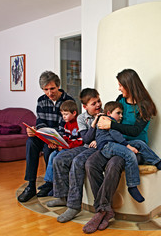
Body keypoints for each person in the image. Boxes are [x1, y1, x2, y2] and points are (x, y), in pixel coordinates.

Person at [83, 69, 161, 233]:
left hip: (134, 149)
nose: (119, 88)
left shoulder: (145, 105)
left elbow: (135, 131)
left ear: (130, 85)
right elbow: (109, 119)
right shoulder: (119, 100)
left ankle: (100, 212)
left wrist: (112, 125)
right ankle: (105, 209)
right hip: (114, 144)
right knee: (91, 163)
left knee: (114, 164)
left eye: (121, 85)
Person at [96, 101, 161, 203]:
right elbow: (116, 135)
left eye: (122, 113)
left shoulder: (109, 119)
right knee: (129, 154)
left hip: (115, 144)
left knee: (139, 143)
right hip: (107, 146)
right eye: (118, 113)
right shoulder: (108, 121)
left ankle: (157, 162)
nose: (121, 116)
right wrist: (128, 146)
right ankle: (132, 186)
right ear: (109, 113)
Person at [46, 88, 102, 223]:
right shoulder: (81, 118)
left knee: (77, 162)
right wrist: (93, 130)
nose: (98, 105)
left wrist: (97, 138)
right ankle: (62, 196)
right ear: (85, 106)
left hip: (98, 149)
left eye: (99, 101)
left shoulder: (104, 115)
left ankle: (74, 206)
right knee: (59, 158)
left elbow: (105, 136)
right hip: (85, 146)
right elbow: (86, 139)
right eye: (94, 103)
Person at [18, 71, 74, 203]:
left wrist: (53, 138)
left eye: (52, 88)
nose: (49, 93)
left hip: (60, 137)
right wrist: (35, 130)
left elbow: (65, 125)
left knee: (49, 149)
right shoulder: (41, 101)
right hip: (46, 135)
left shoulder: (68, 101)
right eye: (46, 89)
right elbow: (40, 121)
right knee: (31, 142)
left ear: (58, 86)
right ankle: (31, 186)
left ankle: (50, 184)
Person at [37, 100, 83, 197]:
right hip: (66, 147)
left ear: (74, 113)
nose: (64, 117)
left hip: (73, 148)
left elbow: (79, 141)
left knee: (57, 158)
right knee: (52, 155)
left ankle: (55, 185)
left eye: (66, 114)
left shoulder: (77, 124)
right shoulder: (67, 124)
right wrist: (58, 143)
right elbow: (66, 137)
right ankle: (49, 182)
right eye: (62, 114)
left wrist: (67, 145)